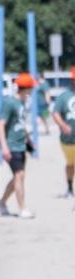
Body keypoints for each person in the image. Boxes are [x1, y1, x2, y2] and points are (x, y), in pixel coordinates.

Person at [0, 72, 34, 219]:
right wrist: (4, 147)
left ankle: (2, 203)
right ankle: (22, 208)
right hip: (11, 145)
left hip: (21, 145)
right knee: (19, 176)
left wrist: (29, 141)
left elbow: (21, 123)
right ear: (25, 88)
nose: (32, 90)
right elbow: (1, 125)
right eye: (31, 88)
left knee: (17, 177)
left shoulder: (23, 103)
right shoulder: (9, 103)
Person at [52, 68, 75, 197]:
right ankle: (70, 188)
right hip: (68, 140)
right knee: (71, 164)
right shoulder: (64, 96)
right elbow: (55, 113)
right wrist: (62, 125)